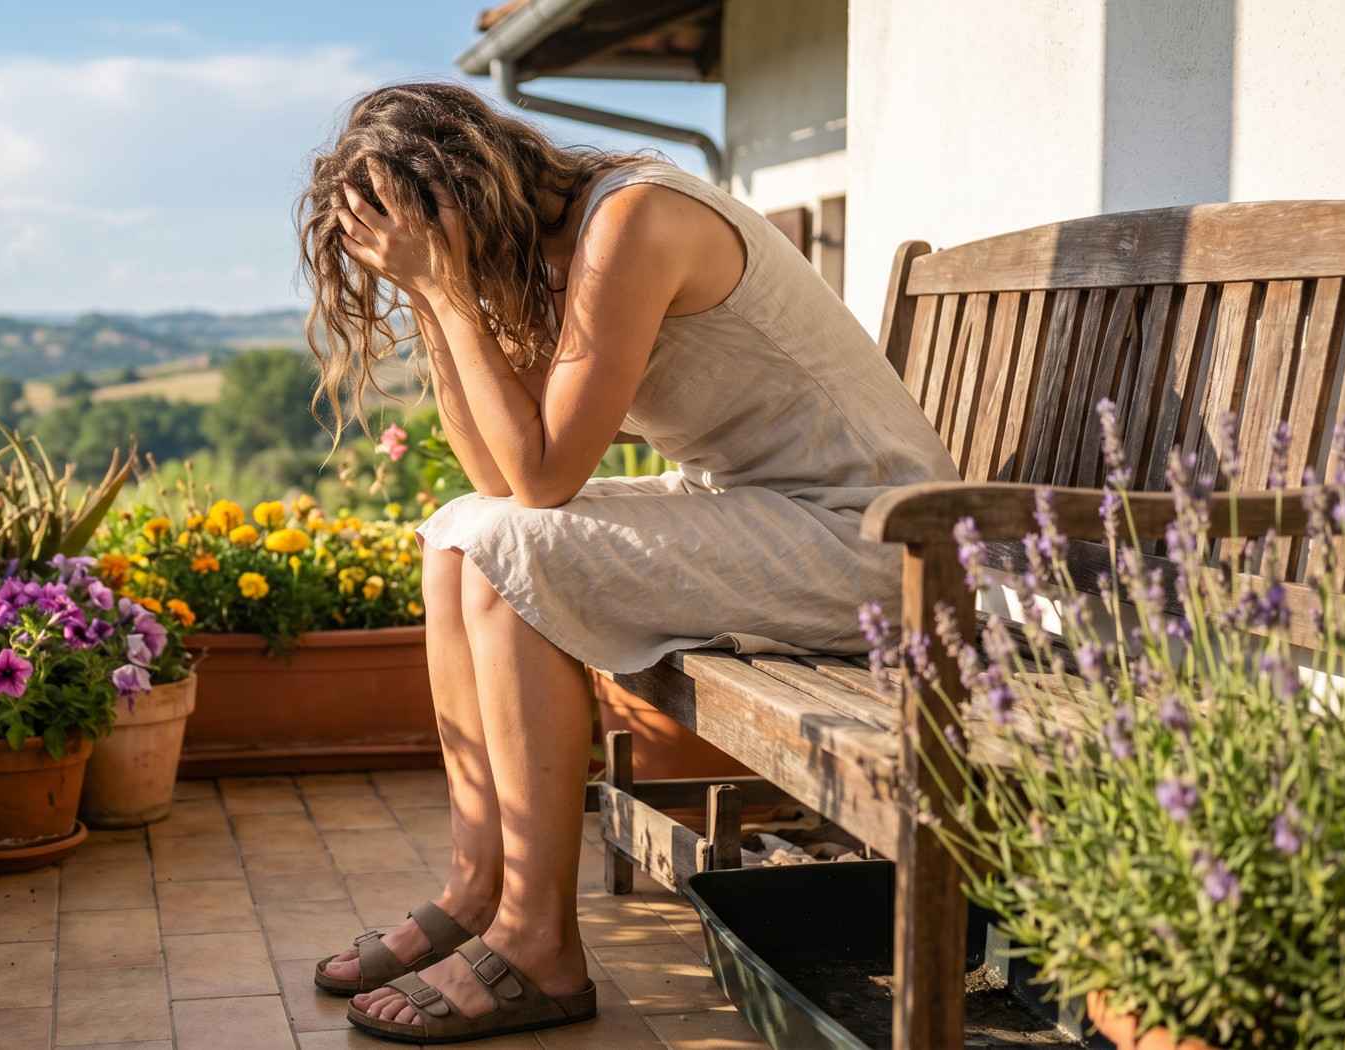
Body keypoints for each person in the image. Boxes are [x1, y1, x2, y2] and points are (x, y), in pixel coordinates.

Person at [298, 82, 957, 1044]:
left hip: (877, 537)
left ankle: (538, 944)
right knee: (455, 532)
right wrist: (433, 306)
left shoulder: (631, 219)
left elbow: (545, 479)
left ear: (459, 196)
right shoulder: (557, 251)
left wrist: (443, 289)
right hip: (771, 510)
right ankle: (478, 888)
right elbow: (494, 472)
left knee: (506, 547)